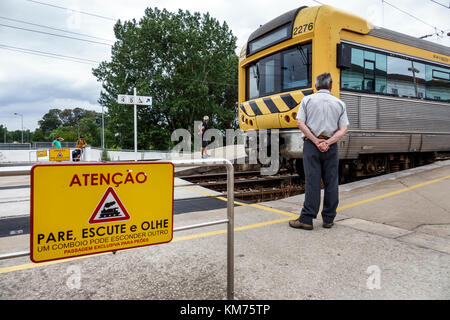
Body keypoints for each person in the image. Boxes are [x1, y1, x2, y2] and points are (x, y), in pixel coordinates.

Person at [289, 72, 349, 230]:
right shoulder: (339, 103)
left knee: (312, 181)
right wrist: (327, 142)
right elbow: (343, 129)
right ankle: (328, 219)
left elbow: (300, 123)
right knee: (331, 182)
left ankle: (307, 219)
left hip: (311, 145)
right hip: (331, 146)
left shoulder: (307, 100)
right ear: (331, 85)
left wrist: (316, 141)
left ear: (316, 86)